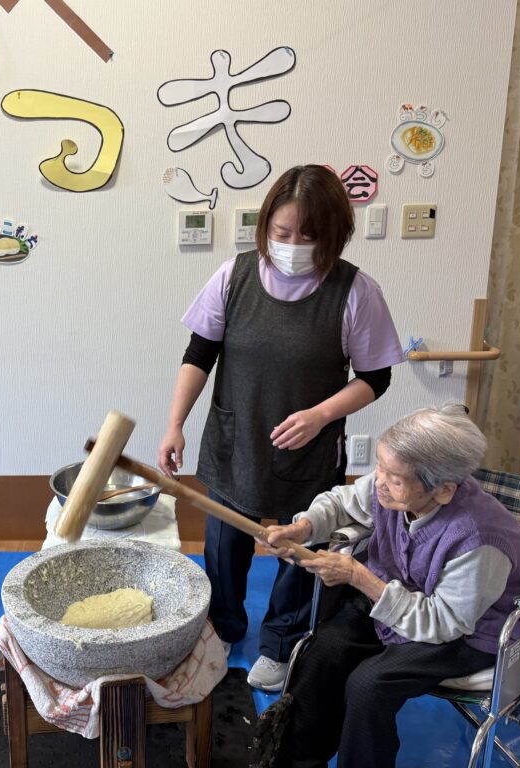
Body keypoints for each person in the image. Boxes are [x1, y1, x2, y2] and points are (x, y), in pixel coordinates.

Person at [157, 164, 404, 691]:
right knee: (224, 546)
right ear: (265, 225)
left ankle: (282, 642)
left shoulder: (356, 291)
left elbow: (376, 377)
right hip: (236, 439)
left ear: (334, 235)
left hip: (308, 448)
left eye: (307, 236)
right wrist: (175, 424)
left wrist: (321, 415)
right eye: (281, 232)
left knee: (300, 550)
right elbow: (199, 353)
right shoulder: (234, 276)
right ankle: (223, 626)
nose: (292, 246)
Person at [263, 403, 520, 768]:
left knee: (369, 685)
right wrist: (303, 528)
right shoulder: (391, 486)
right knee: (323, 652)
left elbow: (442, 623)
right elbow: (343, 503)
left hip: (465, 632)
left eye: (394, 478)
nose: (379, 482)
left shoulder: (480, 540)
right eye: (380, 466)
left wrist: (358, 576)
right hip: (397, 597)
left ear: (443, 491)